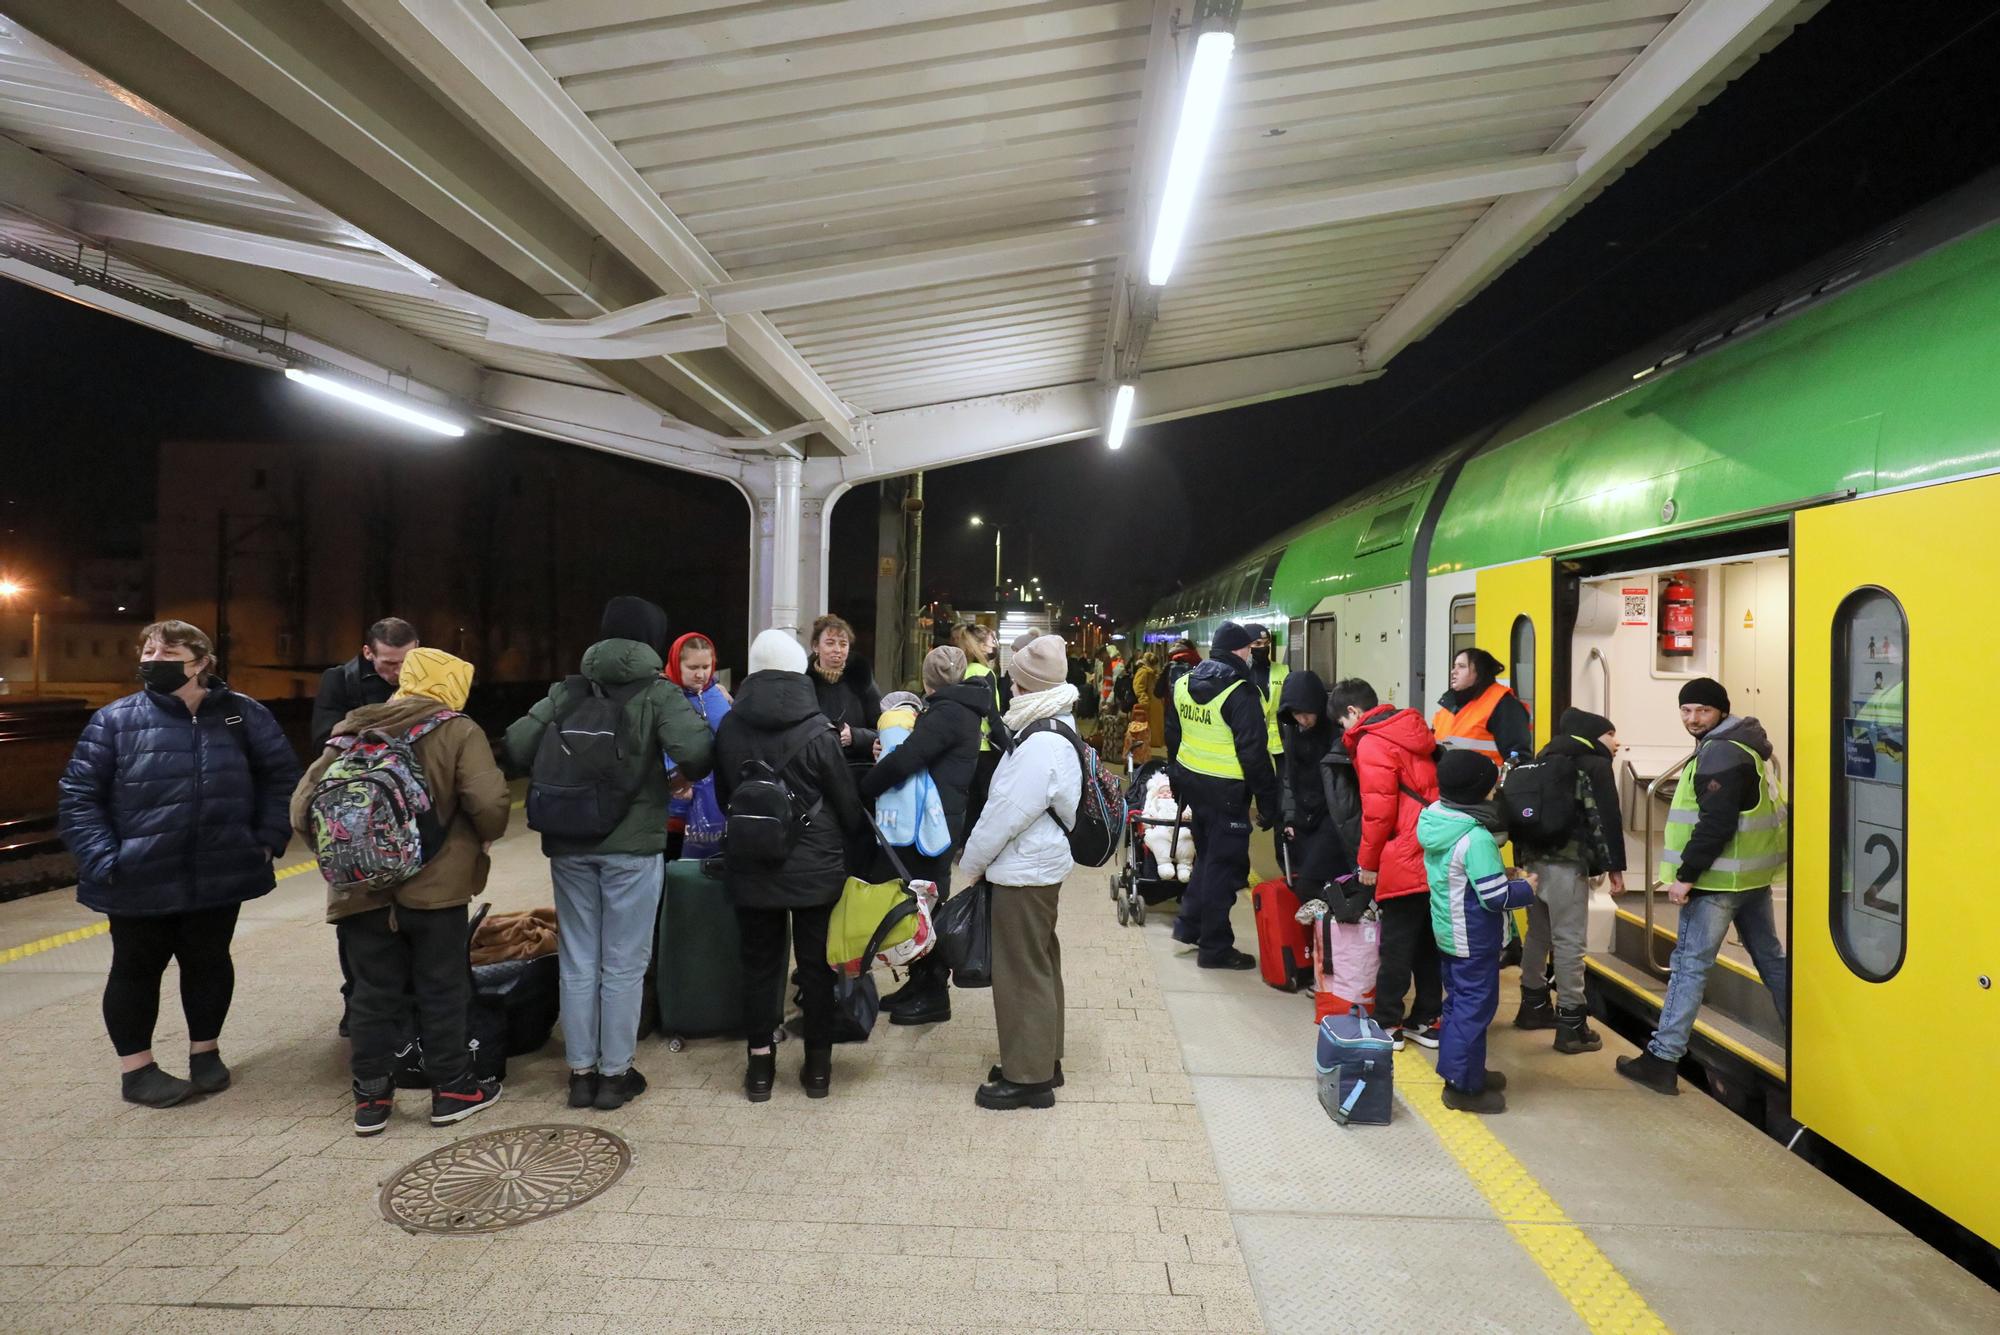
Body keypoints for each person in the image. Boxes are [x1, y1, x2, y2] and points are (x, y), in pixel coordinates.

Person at [57, 619, 299, 1108]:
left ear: (202, 663)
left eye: (168, 656)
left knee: (208, 961)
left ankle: (205, 1053)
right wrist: (105, 857)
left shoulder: (243, 715)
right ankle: (138, 1070)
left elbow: (281, 777)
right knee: (135, 968)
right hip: (137, 874)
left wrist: (268, 839)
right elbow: (79, 796)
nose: (153, 663)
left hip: (221, 867)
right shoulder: (115, 720)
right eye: (149, 653)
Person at [505, 596, 714, 1113]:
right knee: (623, 963)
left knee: (578, 958)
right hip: (633, 847)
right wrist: (676, 774)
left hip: (570, 843)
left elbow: (514, 744)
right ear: (649, 641)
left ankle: (580, 1074)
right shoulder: (658, 693)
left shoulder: (569, 689)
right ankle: (614, 1077)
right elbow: (697, 753)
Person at [292, 647, 509, 1134]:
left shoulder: (353, 730)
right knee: (441, 987)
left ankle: (371, 1100)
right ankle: (453, 1089)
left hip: (360, 893)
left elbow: (303, 805)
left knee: (371, 993)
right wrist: (486, 833)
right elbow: (489, 799)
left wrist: (347, 854)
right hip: (437, 889)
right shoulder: (457, 729)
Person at [713, 629, 866, 1102]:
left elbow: (725, 799)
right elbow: (846, 803)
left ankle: (760, 1069)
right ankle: (817, 1069)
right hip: (815, 868)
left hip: (752, 862)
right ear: (799, 666)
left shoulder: (731, 727)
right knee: (817, 967)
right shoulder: (818, 729)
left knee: (759, 965)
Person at [1617, 678, 1789, 1095]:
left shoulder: (1721, 754)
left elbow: (1716, 823)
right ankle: (1808, 1040)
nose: (1693, 719)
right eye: (1686, 710)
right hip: (1749, 881)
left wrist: (1686, 876)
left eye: (1703, 711)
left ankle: (1662, 1058)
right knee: (1771, 959)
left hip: (1715, 884)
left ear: (1721, 711)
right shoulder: (1746, 746)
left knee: (1688, 968)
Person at [961, 635, 1080, 1111]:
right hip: (1040, 865)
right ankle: (1042, 1058)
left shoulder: (1039, 743)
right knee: (1040, 961)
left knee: (1021, 971)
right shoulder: (1059, 724)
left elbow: (1004, 813)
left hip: (1025, 870)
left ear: (1029, 687)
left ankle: (1028, 1079)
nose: (1008, 690)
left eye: (1013, 682)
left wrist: (970, 865)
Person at [859, 645, 996, 1027]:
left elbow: (906, 759)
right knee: (919, 902)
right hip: (936, 821)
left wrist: (866, 786)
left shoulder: (947, 712)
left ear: (928, 680)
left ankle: (933, 992)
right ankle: (919, 983)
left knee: (925, 907)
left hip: (930, 828)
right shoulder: (960, 707)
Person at [1419, 751, 1538, 1114]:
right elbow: (1493, 897)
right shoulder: (1478, 838)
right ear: (1483, 791)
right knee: (1474, 1009)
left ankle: (1466, 1071)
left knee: (1458, 1005)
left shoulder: (1436, 819)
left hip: (1448, 931)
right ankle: (1463, 1088)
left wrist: (1500, 873)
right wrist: (1527, 886)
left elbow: (1461, 876)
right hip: (1473, 938)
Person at [1335, 677, 1442, 1048]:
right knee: (1427, 941)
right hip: (1430, 847)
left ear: (1353, 712)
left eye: (1343, 722)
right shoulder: (1409, 730)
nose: (1344, 731)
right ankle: (1427, 1019)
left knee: (1396, 944)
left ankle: (1388, 1023)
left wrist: (1368, 863)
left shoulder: (1372, 742)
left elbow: (1379, 812)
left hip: (1402, 852)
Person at [1166, 622, 1280, 970]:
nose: (1251, 652)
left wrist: (1176, 781)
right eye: (1247, 648)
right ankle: (1215, 948)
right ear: (1237, 651)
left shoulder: (1183, 683)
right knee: (1225, 869)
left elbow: (1173, 735)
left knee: (1208, 860)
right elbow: (1254, 755)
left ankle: (1189, 926)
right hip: (1227, 792)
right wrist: (1269, 802)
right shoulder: (1240, 692)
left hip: (1193, 785)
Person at [1511, 708, 1626, 1052]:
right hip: (1566, 866)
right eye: (1611, 735)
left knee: (1538, 935)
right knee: (1569, 942)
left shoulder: (1539, 761)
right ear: (1593, 736)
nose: (1617, 742)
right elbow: (1605, 817)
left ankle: (1532, 1006)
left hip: (1532, 865)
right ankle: (1572, 1024)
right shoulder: (1593, 764)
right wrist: (1615, 867)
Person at [1275, 670, 1348, 903]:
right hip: (1302, 818)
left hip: (1331, 817)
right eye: (1297, 715)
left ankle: (1330, 931)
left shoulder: (1336, 733)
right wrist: (1288, 817)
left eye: (1307, 714)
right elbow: (1289, 777)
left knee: (1310, 883)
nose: (1303, 720)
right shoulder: (1292, 729)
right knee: (1302, 882)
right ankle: (1319, 935)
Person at [664, 632, 732, 862]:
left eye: (706, 666)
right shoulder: (663, 697)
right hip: (673, 806)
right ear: (676, 664)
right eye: (692, 667)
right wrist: (675, 776)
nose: (701, 674)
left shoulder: (717, 696)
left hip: (714, 804)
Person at [312, 617, 419, 749]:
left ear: (417, 648)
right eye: (389, 663)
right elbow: (324, 741)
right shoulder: (340, 680)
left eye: (407, 661)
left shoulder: (430, 680)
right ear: (368, 653)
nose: (400, 671)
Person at [1432, 647, 1534, 766]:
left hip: (1489, 783)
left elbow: (1517, 757)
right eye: (1454, 666)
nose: (1453, 671)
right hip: (1448, 783)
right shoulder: (1449, 706)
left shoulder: (1504, 705)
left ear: (1479, 672)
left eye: (1462, 666)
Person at [808, 614, 880, 765]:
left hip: (855, 767)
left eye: (843, 644)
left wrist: (855, 736)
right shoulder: (804, 683)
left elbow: (881, 730)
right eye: (830, 643)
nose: (837, 650)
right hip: (814, 768)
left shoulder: (862, 679)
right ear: (816, 646)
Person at [955, 621, 1006, 830]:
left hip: (962, 745)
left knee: (967, 800)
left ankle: (962, 843)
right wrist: (1008, 745)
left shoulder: (961, 671)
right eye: (990, 641)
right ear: (979, 646)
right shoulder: (986, 674)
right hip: (984, 749)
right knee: (984, 801)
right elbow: (992, 715)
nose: (994, 645)